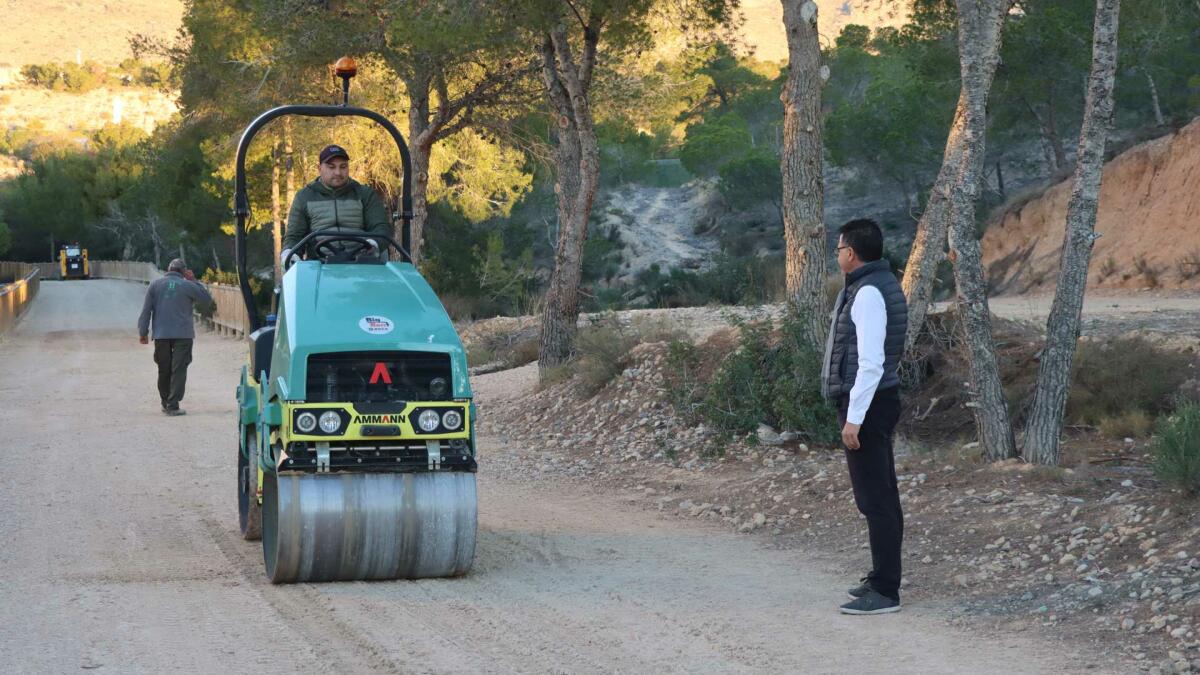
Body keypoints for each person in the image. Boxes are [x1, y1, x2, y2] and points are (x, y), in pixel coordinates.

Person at [821, 218, 909, 615]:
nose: (837, 254)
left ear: (851, 253)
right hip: (874, 400)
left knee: (875, 500)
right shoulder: (873, 284)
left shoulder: (869, 292)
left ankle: (886, 591)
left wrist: (853, 419)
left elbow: (871, 363)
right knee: (881, 496)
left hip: (869, 403)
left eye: (838, 249)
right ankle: (879, 578)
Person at [281, 144, 391, 264]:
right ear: (319, 168)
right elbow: (294, 236)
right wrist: (289, 251)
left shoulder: (364, 194)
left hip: (361, 263)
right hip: (319, 264)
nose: (338, 172)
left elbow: (381, 228)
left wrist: (374, 243)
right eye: (331, 167)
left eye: (343, 167)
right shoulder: (304, 196)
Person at [137, 259, 214, 416]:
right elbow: (207, 300)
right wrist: (194, 280)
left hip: (161, 334)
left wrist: (143, 332)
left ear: (168, 269)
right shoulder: (188, 285)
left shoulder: (155, 285)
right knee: (179, 369)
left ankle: (165, 402)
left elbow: (146, 311)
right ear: (183, 271)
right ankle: (173, 405)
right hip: (183, 335)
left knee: (163, 369)